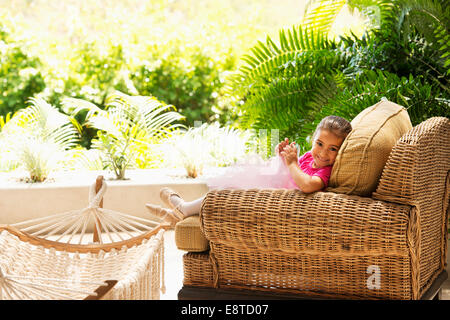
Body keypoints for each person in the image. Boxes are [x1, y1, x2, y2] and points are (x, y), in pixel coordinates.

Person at [146, 115, 352, 226]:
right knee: (231, 187)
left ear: (340, 151)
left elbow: (306, 184)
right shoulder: (307, 157)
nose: (323, 153)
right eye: (320, 144)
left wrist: (291, 164)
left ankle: (184, 208)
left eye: (333, 149)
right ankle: (179, 215)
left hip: (275, 202)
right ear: (313, 139)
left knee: (231, 191)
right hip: (270, 190)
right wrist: (282, 157)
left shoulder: (325, 173)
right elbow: (287, 172)